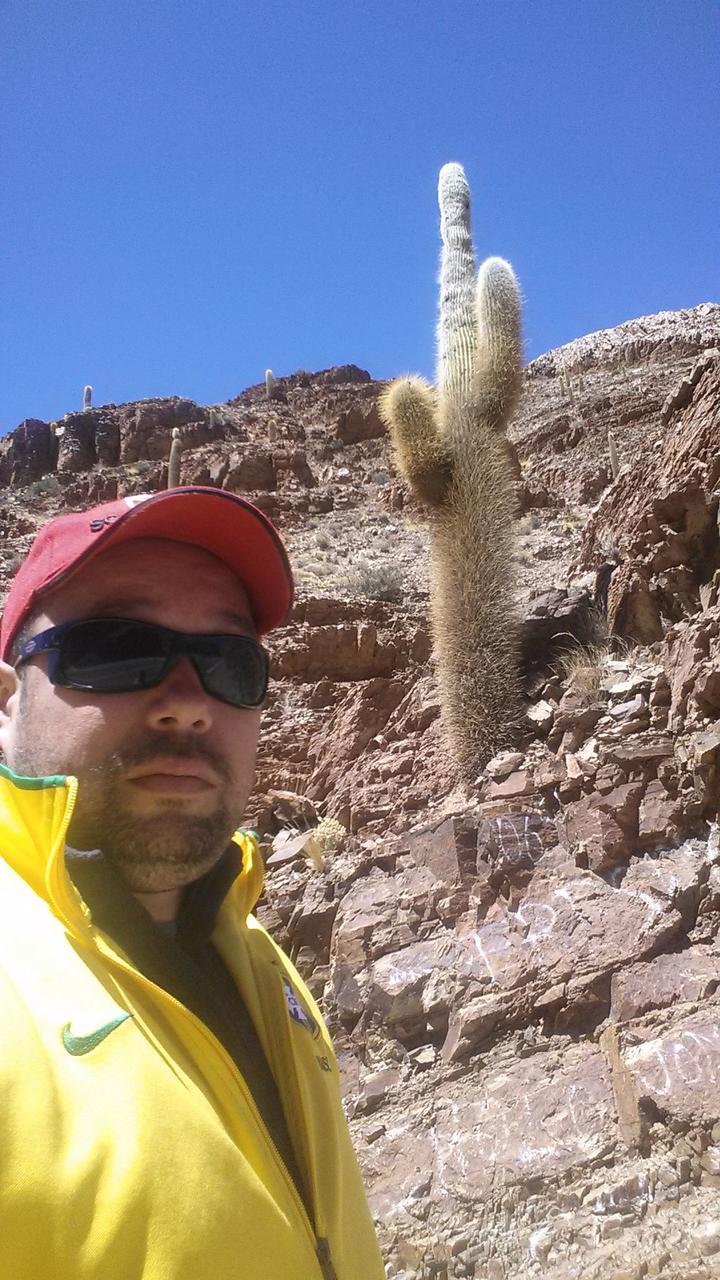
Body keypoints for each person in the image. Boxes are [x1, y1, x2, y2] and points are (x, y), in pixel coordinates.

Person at [0, 486, 384, 1280]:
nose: (187, 704)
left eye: (227, 663)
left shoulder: (252, 947)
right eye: (115, 648)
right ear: (8, 703)